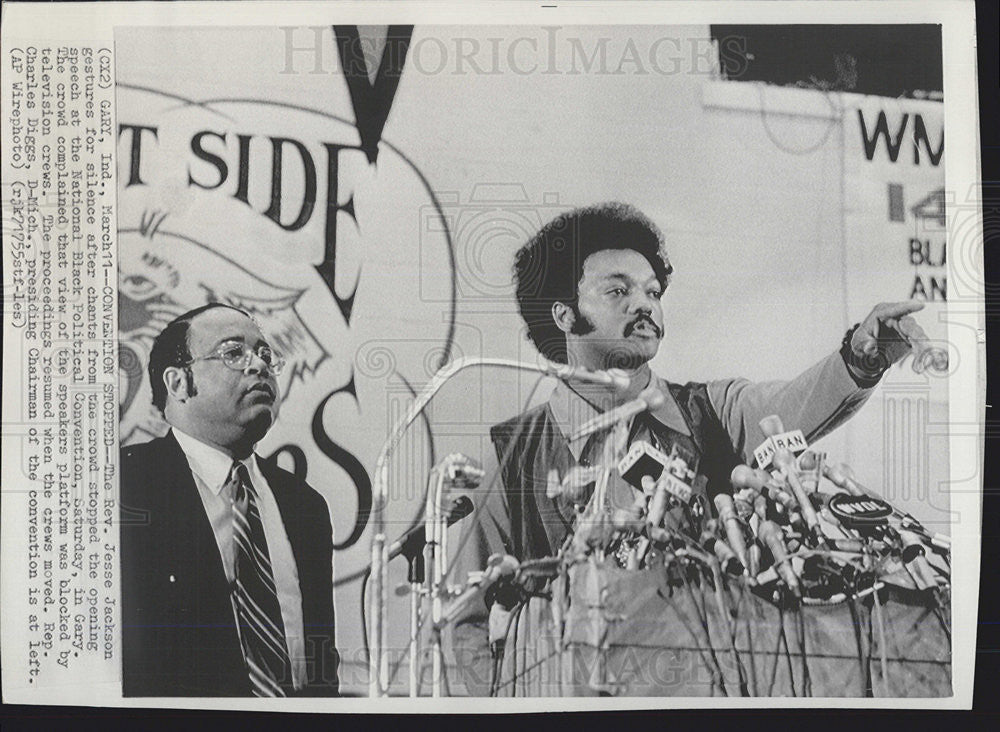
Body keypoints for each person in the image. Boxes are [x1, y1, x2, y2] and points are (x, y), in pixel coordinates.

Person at [451, 201, 935, 695]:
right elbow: (466, 627)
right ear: (564, 314)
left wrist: (859, 356)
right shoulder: (509, 457)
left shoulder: (711, 412)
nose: (644, 304)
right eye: (617, 290)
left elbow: (791, 408)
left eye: (653, 292)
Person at [120, 303, 340, 697]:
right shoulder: (125, 490)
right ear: (179, 384)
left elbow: (322, 660)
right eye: (233, 353)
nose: (259, 366)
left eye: (265, 354)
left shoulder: (305, 506)